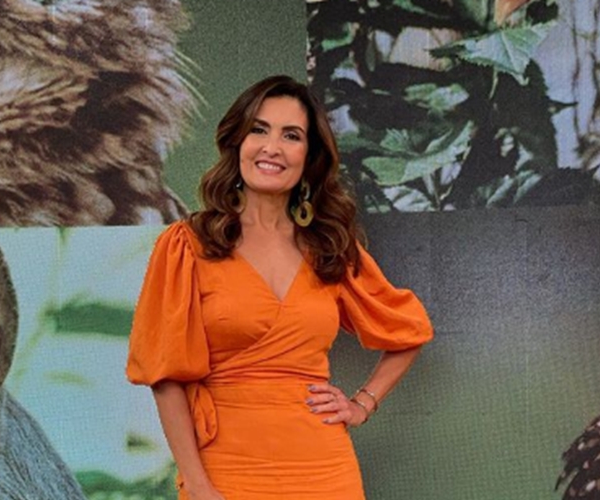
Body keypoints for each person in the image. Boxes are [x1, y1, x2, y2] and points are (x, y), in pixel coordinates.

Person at [126, 75, 433, 500]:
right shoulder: (186, 244)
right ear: (238, 142)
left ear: (310, 156)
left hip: (326, 472)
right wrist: (197, 484)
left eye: (291, 135)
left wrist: (361, 403)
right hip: (226, 473)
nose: (272, 147)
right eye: (259, 130)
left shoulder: (330, 246)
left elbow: (409, 331)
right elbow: (165, 377)